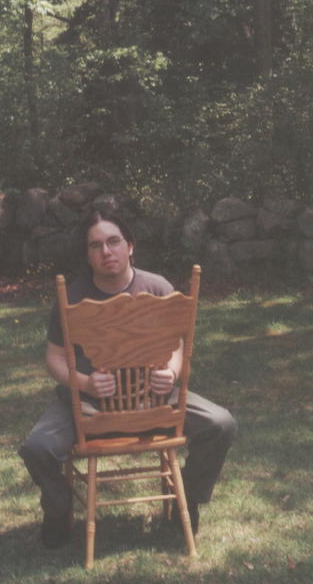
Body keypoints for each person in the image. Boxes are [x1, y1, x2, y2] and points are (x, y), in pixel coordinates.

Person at [19, 209, 238, 548]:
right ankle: (59, 509)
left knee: (221, 424)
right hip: (89, 405)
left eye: (114, 241)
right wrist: (86, 383)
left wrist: (171, 371)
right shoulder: (72, 297)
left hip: (153, 399)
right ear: (87, 255)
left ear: (130, 246)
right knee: (37, 447)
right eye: (95, 246)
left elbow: (178, 345)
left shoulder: (157, 288)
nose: (106, 251)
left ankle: (189, 497)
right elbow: (55, 358)